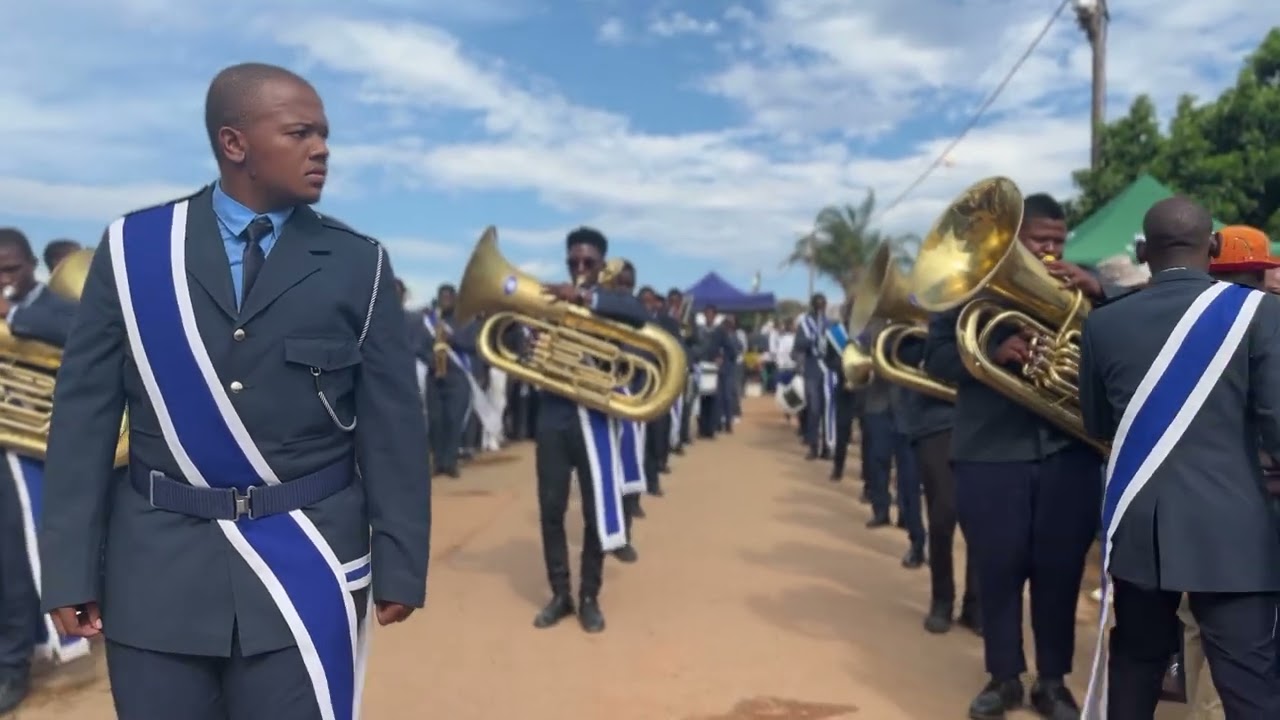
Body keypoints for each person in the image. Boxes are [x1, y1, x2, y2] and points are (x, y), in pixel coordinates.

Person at [38, 63, 432, 720]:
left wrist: (400, 560)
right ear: (235, 143)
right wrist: (69, 568)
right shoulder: (135, 250)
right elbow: (83, 418)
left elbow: (392, 426)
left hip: (307, 561)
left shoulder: (359, 264)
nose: (323, 149)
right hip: (155, 570)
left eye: (325, 134)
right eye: (302, 132)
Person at [1079, 207, 1280, 719]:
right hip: (1234, 529)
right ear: (1213, 247)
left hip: (1140, 525)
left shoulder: (1103, 324)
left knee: (1137, 667)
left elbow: (1098, 425)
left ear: (1144, 253)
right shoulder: (1261, 313)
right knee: (1248, 683)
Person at [924, 192, 1104, 719]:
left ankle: (1051, 681)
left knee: (1060, 570)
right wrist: (991, 351)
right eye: (1039, 240)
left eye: (1058, 240)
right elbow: (935, 355)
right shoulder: (966, 290)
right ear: (1011, 240)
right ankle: (1003, 677)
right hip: (990, 450)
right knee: (998, 567)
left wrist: (1102, 291)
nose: (1050, 250)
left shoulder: (1083, 287)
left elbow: (1124, 343)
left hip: (1068, 452)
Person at [530, 227, 647, 633]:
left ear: (600, 266)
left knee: (596, 511)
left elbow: (641, 314)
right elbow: (528, 346)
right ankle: (560, 593)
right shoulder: (549, 300)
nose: (579, 268)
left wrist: (583, 298)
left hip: (594, 416)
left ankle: (589, 597)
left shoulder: (613, 301)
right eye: (573, 261)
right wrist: (535, 346)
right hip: (552, 413)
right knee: (550, 509)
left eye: (587, 262)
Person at [0, 228, 80, 715]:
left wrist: (15, 314)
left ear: (32, 267)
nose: (3, 280)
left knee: (14, 565)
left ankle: (12, 666)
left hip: (26, 457)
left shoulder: (53, 306)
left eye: (11, 269)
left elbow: (81, 329)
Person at [423, 284, 478, 478]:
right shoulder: (430, 321)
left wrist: (453, 340)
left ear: (455, 300)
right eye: (442, 296)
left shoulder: (466, 321)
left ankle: (450, 461)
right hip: (434, 376)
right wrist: (429, 359)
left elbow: (473, 345)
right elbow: (419, 345)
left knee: (454, 420)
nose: (445, 300)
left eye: (448, 297)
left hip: (457, 377)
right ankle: (438, 462)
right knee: (436, 420)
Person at [795, 293, 835, 460]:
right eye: (818, 304)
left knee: (828, 410)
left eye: (823, 304)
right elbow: (798, 344)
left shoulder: (831, 324)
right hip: (812, 371)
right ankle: (813, 446)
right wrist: (814, 339)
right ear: (813, 306)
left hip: (828, 372)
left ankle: (827, 447)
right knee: (813, 410)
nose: (820, 307)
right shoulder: (805, 325)